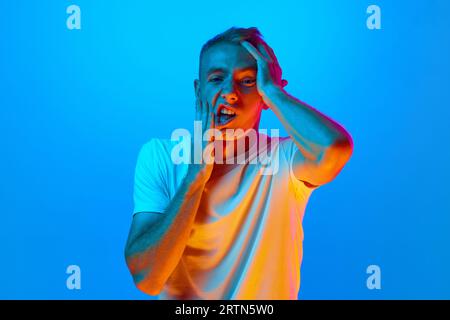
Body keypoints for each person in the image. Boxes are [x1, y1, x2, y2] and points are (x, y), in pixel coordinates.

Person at [124, 27, 353, 300]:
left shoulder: (284, 159)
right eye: (217, 78)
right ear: (198, 91)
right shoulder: (160, 155)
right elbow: (147, 278)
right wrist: (195, 177)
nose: (229, 93)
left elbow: (334, 149)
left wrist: (273, 92)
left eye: (247, 81)